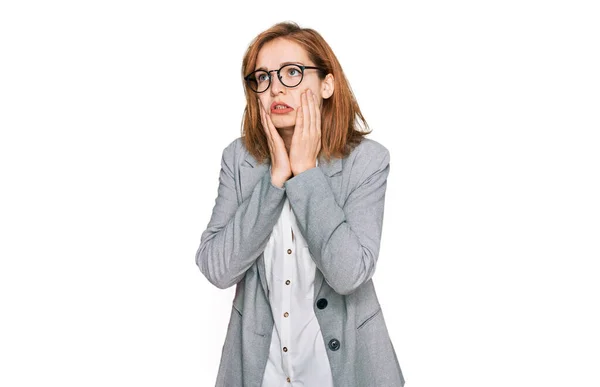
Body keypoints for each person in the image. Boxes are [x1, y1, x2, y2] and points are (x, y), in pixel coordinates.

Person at [195, 21, 405, 387]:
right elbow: (217, 268)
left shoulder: (367, 161)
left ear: (327, 83)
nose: (275, 87)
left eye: (292, 72)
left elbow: (348, 274)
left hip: (346, 370)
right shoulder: (239, 159)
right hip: (263, 372)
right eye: (263, 77)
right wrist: (276, 178)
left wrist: (306, 172)